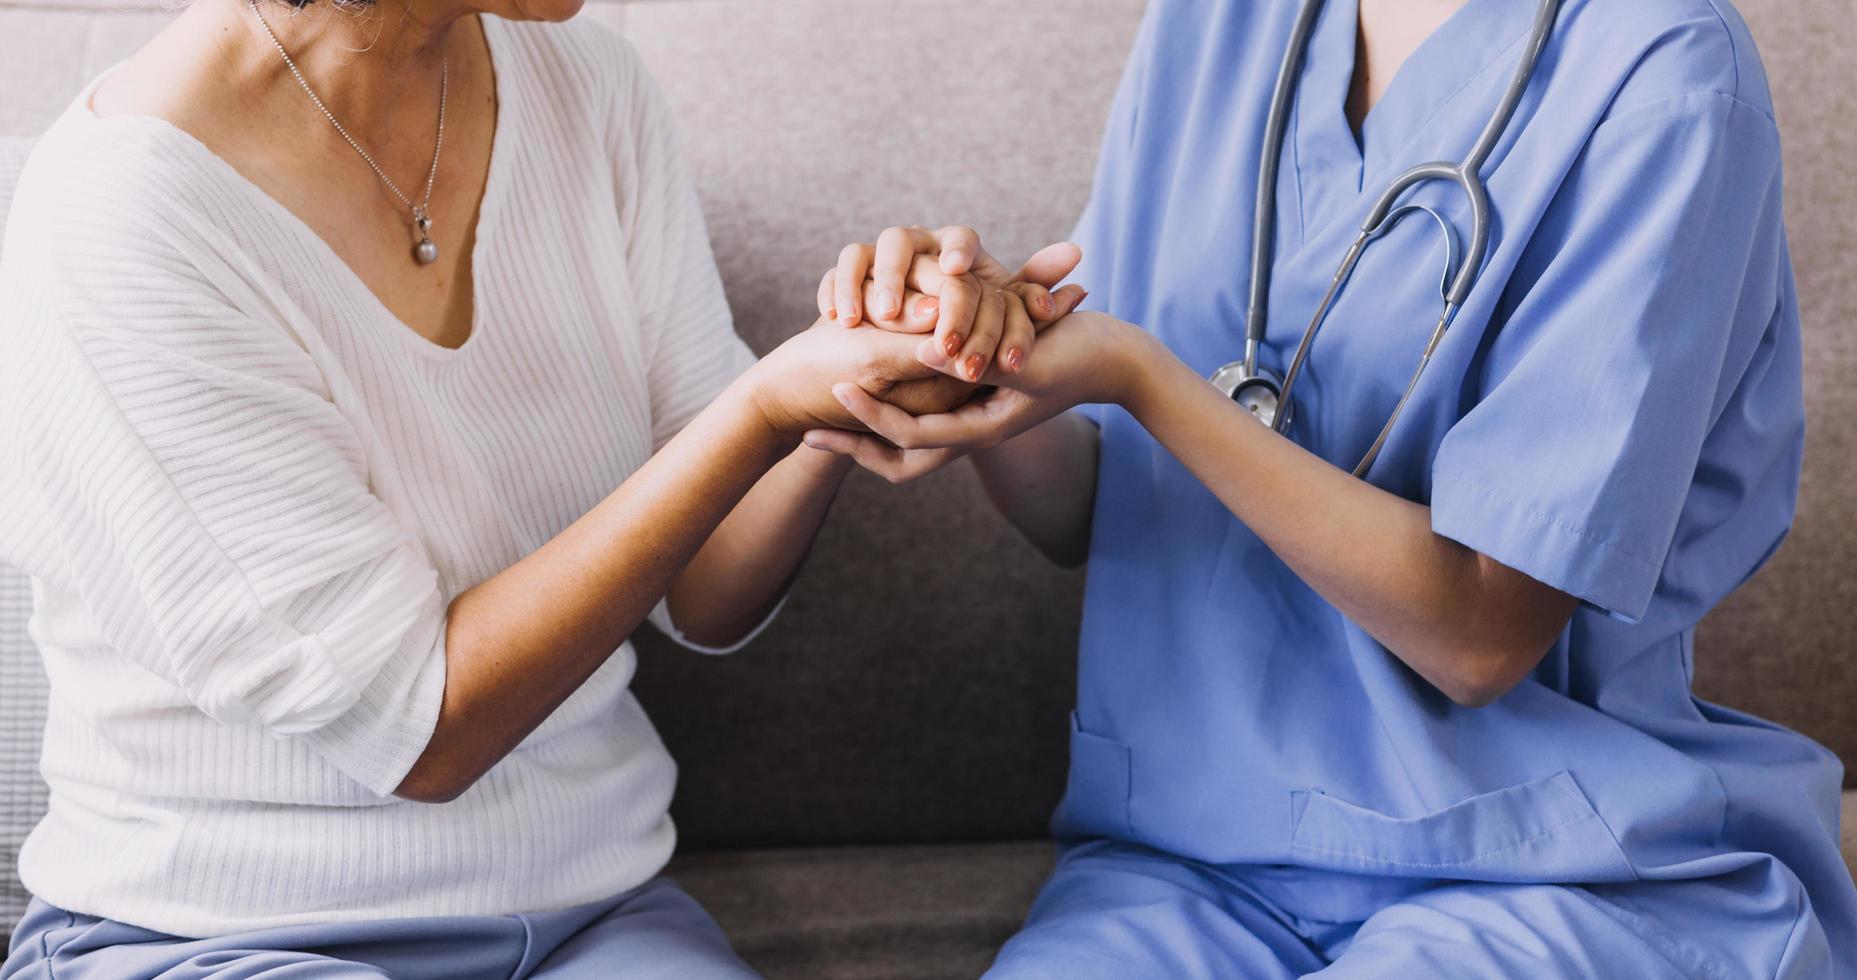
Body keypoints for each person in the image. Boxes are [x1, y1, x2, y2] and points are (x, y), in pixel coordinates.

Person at [0, 0, 1080, 974]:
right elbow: (422, 731)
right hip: (222, 935)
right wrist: (759, 408)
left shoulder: (590, 86)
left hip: (591, 914)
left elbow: (705, 586)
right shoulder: (121, 214)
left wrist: (848, 372)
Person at [809, 0, 1856, 975]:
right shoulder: (1213, 25)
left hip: (1548, 861)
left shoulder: (1663, 71)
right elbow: (1100, 505)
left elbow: (1483, 633)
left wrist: (1141, 377)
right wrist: (980, 362)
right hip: (1189, 859)